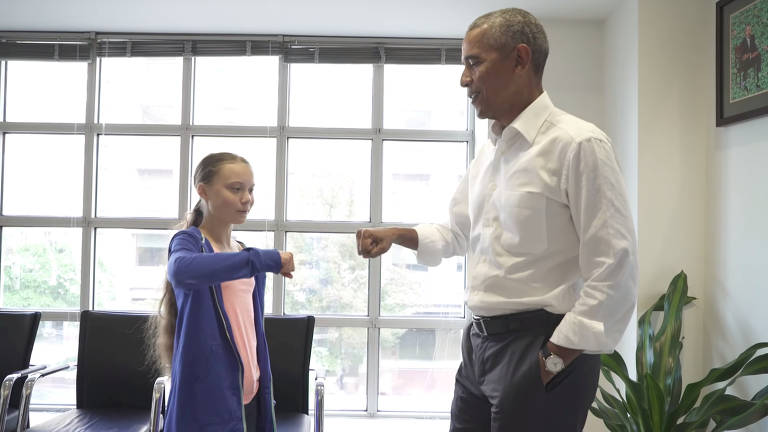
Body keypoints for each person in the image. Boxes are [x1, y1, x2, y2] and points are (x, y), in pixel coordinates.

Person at [356, 8, 637, 431]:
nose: (464, 79)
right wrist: (397, 235)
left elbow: (614, 268)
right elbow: (456, 233)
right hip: (479, 346)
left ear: (520, 59)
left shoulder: (579, 145)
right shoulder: (491, 151)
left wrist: (553, 358)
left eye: (474, 62)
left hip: (541, 346)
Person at [149, 152, 295, 432]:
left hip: (250, 393)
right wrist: (265, 259)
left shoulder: (240, 251)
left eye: (250, 190)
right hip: (209, 400)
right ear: (203, 191)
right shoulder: (190, 241)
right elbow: (181, 270)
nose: (247, 199)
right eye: (235, 189)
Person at [737, 24, 763, 91]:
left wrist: (755, 53)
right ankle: (743, 83)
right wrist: (745, 56)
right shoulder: (743, 42)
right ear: (745, 32)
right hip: (744, 61)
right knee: (747, 63)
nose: (749, 31)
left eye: (750, 30)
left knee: (758, 55)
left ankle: (757, 80)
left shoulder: (752, 39)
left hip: (752, 59)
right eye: (748, 30)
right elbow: (740, 55)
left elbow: (755, 49)